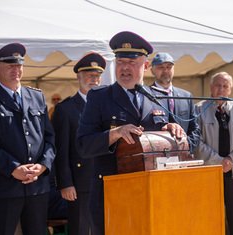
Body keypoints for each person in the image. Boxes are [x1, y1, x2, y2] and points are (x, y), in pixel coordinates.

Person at [76, 31, 197, 235]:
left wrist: (171, 132)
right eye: (120, 61)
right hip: (113, 190)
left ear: (146, 66)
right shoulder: (99, 97)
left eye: (132, 62)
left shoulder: (157, 98)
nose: (124, 68)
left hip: (152, 193)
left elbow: (167, 143)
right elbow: (83, 145)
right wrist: (115, 134)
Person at [0, 43, 55, 235]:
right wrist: (12, 168)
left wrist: (43, 166)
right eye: (9, 65)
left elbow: (50, 138)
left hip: (37, 187)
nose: (16, 70)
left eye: (19, 65)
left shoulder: (36, 96)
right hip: (5, 186)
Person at [194, 72, 233, 235]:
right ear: (211, 87)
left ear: (230, 90)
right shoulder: (199, 109)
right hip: (209, 173)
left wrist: (231, 159)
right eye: (217, 85)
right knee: (210, 217)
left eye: (225, 86)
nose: (221, 89)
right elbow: (196, 142)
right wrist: (218, 161)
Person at [52, 52, 106, 235]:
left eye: (97, 75)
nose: (94, 79)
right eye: (89, 75)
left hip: (106, 180)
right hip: (80, 183)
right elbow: (60, 150)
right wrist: (65, 183)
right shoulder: (65, 110)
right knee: (81, 229)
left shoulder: (106, 106)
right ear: (79, 77)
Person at [150, 52, 200, 152]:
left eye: (169, 67)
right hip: (155, 155)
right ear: (152, 70)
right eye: (161, 67)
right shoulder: (146, 96)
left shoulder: (186, 96)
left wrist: (187, 147)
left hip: (183, 155)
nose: (165, 71)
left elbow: (195, 128)